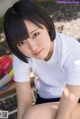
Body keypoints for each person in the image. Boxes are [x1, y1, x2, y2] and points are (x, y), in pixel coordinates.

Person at [3, 0, 80, 119]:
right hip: (45, 100)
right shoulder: (22, 57)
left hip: (75, 100)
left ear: (46, 25)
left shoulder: (72, 52)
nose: (33, 47)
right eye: (21, 42)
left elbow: (64, 115)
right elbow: (24, 103)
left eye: (35, 34)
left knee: (33, 115)